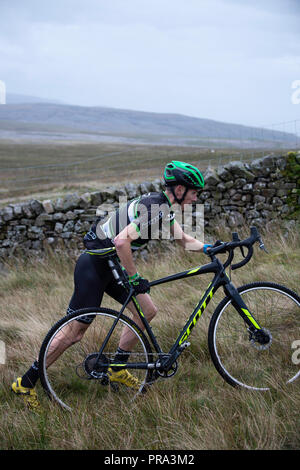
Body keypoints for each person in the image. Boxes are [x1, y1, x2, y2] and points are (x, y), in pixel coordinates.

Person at [11, 161, 212, 410]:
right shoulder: (156, 207)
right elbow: (121, 241)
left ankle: (117, 367)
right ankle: (26, 382)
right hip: (95, 265)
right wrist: (135, 276)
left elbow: (182, 239)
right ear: (180, 189)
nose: (195, 199)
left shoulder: (164, 207)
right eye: (194, 193)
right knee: (75, 333)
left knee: (146, 311)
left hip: (110, 265)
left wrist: (209, 248)